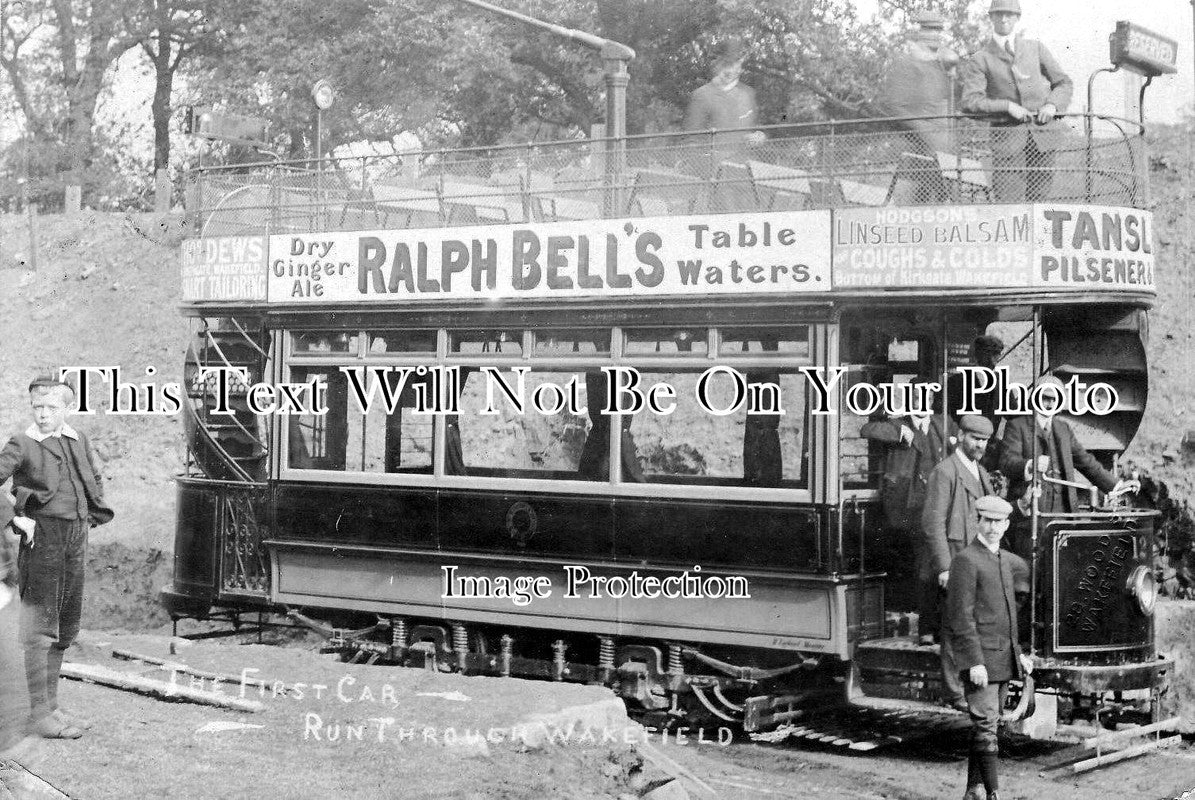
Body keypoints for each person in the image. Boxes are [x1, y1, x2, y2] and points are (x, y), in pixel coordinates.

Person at [0, 375, 115, 740]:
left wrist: (90, 514)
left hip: (75, 537)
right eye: (38, 407)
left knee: (65, 626)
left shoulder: (78, 439)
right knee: (40, 628)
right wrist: (13, 518)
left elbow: (92, 476)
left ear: (67, 409)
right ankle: (38, 714)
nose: (44, 414)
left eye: (52, 407)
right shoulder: (22, 443)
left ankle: (51, 707)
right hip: (42, 539)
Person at [944, 494, 1033, 800]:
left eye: (999, 522)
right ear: (978, 521)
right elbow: (960, 617)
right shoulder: (966, 560)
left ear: (1007, 525)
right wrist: (973, 662)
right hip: (981, 662)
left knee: (989, 726)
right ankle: (994, 794)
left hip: (1003, 658)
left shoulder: (1004, 561)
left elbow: (1008, 615)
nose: (993, 527)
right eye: (988, 521)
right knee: (986, 727)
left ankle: (974, 790)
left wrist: (1019, 653)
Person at [861, 377, 956, 642]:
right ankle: (927, 629)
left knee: (945, 565)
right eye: (915, 395)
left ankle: (940, 626)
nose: (920, 400)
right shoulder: (897, 424)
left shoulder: (943, 423)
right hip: (911, 510)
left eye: (925, 396)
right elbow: (866, 429)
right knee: (928, 565)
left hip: (943, 508)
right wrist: (898, 434)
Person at [960, 0, 1073, 202]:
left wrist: (1052, 105)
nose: (1004, 18)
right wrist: (1007, 107)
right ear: (991, 17)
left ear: (1017, 17)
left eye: (1009, 14)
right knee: (1008, 205)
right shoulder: (981, 58)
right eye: (999, 14)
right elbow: (970, 102)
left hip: (1043, 140)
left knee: (1039, 204)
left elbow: (1063, 83)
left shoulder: (1036, 48)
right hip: (1007, 145)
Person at [921, 414, 996, 709]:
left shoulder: (980, 471)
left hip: (976, 558)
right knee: (954, 626)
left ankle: (968, 686)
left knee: (969, 624)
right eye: (975, 439)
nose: (980, 445)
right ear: (961, 437)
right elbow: (933, 523)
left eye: (984, 441)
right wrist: (943, 566)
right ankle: (954, 692)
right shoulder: (946, 472)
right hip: (955, 559)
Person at [998, 375, 1134, 514]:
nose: (1050, 404)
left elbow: (1085, 461)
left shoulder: (1063, 428)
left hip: (1064, 509)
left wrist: (1116, 485)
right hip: (1031, 509)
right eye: (1045, 398)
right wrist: (1030, 465)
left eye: (1054, 399)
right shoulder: (1017, 425)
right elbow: (1007, 463)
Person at [881, 11, 961, 202]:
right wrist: (928, 133)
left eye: (938, 30)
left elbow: (952, 107)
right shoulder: (905, 65)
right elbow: (894, 107)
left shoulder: (941, 68)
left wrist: (953, 76)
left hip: (941, 157)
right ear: (919, 34)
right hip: (911, 158)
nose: (935, 35)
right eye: (929, 30)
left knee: (943, 214)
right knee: (910, 215)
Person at [684, 40, 765, 161]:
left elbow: (758, 130)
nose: (728, 71)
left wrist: (760, 136)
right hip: (713, 172)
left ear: (740, 66)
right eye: (724, 65)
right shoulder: (702, 96)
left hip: (745, 169)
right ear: (715, 65)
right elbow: (692, 141)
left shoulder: (748, 94)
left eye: (733, 64)